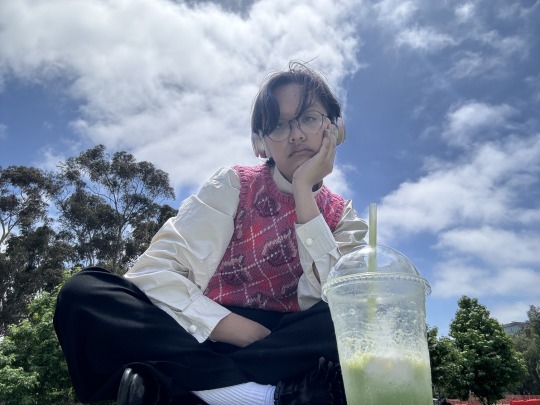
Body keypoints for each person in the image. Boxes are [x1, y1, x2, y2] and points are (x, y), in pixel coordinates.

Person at [54, 61, 368, 405]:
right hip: (203, 332)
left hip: (285, 345)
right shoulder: (233, 184)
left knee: (353, 313)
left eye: (309, 118)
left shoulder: (344, 218)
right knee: (83, 293)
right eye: (279, 125)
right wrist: (238, 329)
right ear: (261, 143)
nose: (296, 134)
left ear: (336, 128)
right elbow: (152, 273)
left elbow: (329, 299)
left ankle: (184, 388)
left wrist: (304, 190)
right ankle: (260, 397)